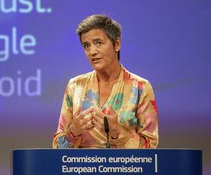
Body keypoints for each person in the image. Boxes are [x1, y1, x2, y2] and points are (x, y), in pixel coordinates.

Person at [52, 14, 158, 148]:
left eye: (98, 43)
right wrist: (73, 132)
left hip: (125, 168)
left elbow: (151, 148)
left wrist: (117, 131)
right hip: (82, 168)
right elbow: (57, 147)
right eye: (86, 46)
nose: (92, 52)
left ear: (117, 44)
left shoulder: (140, 87)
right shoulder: (75, 86)